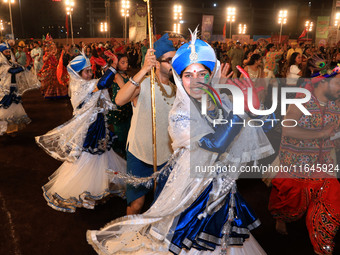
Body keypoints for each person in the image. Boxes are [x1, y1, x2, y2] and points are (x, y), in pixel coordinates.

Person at [87, 28, 275, 255]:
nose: (195, 80)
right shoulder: (179, 114)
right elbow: (215, 144)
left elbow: (260, 133)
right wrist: (239, 112)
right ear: (180, 77)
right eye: (188, 75)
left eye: (202, 73)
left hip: (222, 191)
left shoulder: (221, 101)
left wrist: (257, 109)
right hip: (192, 191)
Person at [35, 53, 127, 213]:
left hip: (98, 124)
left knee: (102, 154)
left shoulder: (87, 83)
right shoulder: (80, 86)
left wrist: (106, 67)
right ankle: (88, 190)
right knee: (89, 157)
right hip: (89, 128)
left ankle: (99, 185)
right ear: (77, 74)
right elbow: (104, 82)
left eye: (91, 71)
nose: (90, 74)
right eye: (86, 72)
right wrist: (113, 65)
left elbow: (103, 84)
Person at [268, 65, 340, 254]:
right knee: (288, 201)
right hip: (296, 162)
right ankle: (281, 217)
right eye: (338, 83)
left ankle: (322, 246)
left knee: (331, 199)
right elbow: (287, 128)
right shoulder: (302, 100)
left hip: (323, 163)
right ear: (323, 82)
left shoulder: (337, 103)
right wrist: (321, 133)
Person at [114, 33, 176, 215]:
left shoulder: (176, 90)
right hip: (139, 154)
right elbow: (119, 100)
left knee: (162, 206)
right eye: (169, 60)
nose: (174, 64)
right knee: (136, 205)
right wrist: (142, 70)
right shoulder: (143, 84)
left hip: (166, 156)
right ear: (157, 63)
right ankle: (129, 238)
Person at [0, 42, 40, 136]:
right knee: (4, 110)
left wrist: (27, 68)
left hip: (12, 88)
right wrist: (23, 67)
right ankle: (4, 129)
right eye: (6, 52)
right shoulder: (1, 64)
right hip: (4, 90)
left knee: (13, 108)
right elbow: (13, 71)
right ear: (1, 53)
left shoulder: (10, 62)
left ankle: (11, 129)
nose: (9, 54)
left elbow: (17, 71)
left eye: (9, 52)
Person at [107, 53, 132, 158]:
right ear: (117, 64)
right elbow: (125, 89)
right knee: (120, 134)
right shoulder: (117, 76)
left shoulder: (127, 75)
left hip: (127, 106)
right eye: (123, 62)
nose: (125, 64)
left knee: (128, 131)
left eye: (126, 62)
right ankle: (119, 157)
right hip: (119, 108)